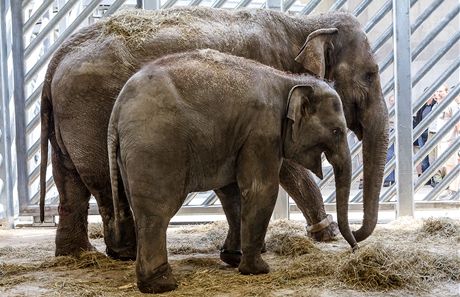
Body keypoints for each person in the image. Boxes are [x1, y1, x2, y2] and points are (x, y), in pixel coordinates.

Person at [413, 92, 436, 176]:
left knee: (430, 154)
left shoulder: (434, 106)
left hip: (430, 131)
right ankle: (425, 175)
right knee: (423, 155)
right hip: (421, 132)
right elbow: (418, 119)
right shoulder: (422, 106)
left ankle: (430, 175)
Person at [383, 95, 395, 186]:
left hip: (398, 132)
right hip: (390, 132)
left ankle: (395, 178)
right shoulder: (388, 110)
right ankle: (389, 178)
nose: (392, 102)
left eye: (393, 100)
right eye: (391, 100)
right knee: (388, 156)